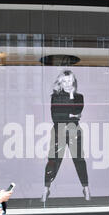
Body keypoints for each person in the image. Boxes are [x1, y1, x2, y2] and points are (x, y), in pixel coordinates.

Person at [41, 70, 90, 202]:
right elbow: (55, 117)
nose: (68, 83)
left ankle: (86, 188)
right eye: (65, 81)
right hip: (59, 130)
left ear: (73, 82)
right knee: (53, 160)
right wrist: (71, 116)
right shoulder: (55, 97)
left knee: (79, 160)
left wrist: (71, 96)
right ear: (60, 83)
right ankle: (46, 189)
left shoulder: (79, 97)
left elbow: (77, 111)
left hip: (74, 130)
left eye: (70, 81)